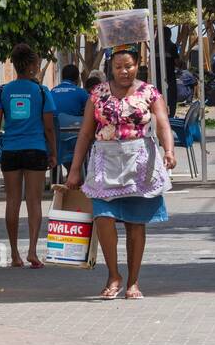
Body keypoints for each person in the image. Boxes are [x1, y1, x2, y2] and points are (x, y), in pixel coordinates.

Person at [65, 47, 176, 299]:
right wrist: (74, 170)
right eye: (118, 67)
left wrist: (168, 150)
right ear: (110, 69)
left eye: (129, 65)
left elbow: (162, 123)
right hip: (104, 162)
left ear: (137, 64)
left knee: (135, 223)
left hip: (139, 162)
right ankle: (113, 275)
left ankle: (133, 281)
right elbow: (85, 133)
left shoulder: (150, 93)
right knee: (103, 217)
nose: (124, 71)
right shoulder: (97, 94)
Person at [0, 43, 58, 269]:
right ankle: (32, 251)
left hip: (10, 150)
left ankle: (15, 254)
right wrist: (53, 152)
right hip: (35, 149)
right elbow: (49, 127)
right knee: (34, 201)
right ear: (31, 65)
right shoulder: (41, 92)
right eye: (37, 64)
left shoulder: (2, 91)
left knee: (12, 201)